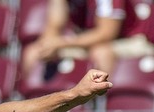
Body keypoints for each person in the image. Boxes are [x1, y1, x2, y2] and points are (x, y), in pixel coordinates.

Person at [21, 0, 154, 77]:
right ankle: (29, 109)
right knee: (33, 51)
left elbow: (106, 33)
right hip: (84, 39)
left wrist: (61, 43)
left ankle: (101, 111)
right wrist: (47, 47)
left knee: (101, 53)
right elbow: (53, 27)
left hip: (128, 39)